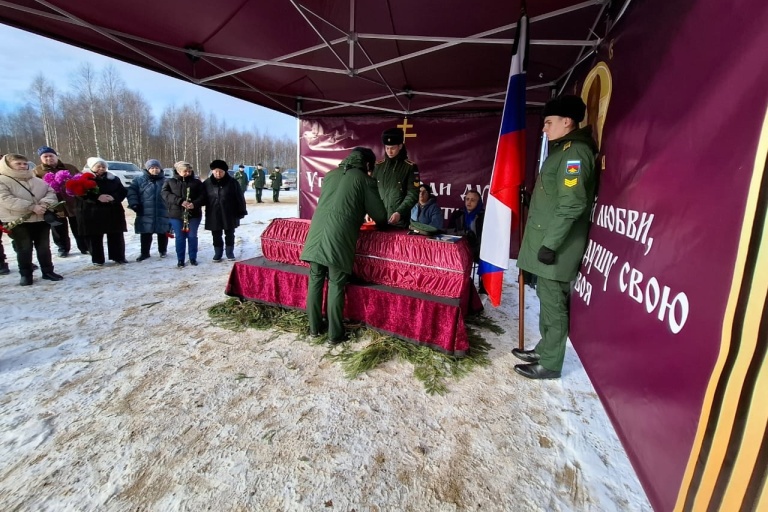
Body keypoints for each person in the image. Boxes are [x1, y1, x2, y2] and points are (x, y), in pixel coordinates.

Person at [513, 95, 598, 380]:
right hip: (549, 239)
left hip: (557, 245)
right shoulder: (562, 150)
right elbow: (556, 197)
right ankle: (544, 347)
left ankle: (550, 362)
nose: (544, 129)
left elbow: (572, 204)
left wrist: (550, 244)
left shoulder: (575, 153)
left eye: (549, 123)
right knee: (546, 299)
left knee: (553, 304)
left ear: (567, 121)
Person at [300, 147, 388, 343]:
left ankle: (314, 328)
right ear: (367, 164)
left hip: (315, 234)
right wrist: (384, 225)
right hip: (338, 238)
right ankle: (335, 334)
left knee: (315, 280)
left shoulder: (331, 175)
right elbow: (380, 215)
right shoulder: (364, 180)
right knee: (336, 284)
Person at [0, 153, 63, 285]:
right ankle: (26, 274)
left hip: (40, 218)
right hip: (19, 220)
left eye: (25, 163)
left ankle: (48, 271)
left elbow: (51, 192)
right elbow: (5, 199)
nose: (23, 166)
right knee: (24, 248)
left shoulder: (37, 180)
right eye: (18, 164)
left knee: (44, 247)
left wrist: (44, 205)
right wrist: (31, 207)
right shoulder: (3, 180)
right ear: (8, 165)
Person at [33, 145, 88, 256]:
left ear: (56, 156)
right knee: (58, 229)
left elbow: (81, 179)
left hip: (73, 202)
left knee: (78, 226)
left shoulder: (69, 167)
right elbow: (34, 187)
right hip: (54, 204)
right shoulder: (37, 171)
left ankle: (84, 247)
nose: (49, 158)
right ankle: (63, 248)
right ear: (41, 158)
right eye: (45, 156)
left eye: (51, 155)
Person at [75, 157, 129, 266]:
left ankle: (118, 257)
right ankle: (97, 259)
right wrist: (97, 198)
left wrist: (114, 197)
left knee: (116, 235)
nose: (101, 168)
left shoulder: (113, 178)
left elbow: (122, 191)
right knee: (95, 236)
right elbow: (79, 194)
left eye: (103, 166)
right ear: (92, 167)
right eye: (98, 166)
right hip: (93, 212)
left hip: (112, 210)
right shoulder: (83, 179)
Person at [372, 127, 420, 228]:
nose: (389, 151)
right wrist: (369, 211)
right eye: (387, 148)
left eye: (393, 148)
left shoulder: (409, 167)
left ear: (400, 146)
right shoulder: (378, 166)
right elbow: (371, 191)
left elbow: (413, 194)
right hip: (378, 220)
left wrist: (400, 212)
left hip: (399, 222)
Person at [162, 161, 205, 267]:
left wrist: (194, 204)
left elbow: (203, 196)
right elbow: (165, 194)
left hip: (193, 214)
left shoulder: (196, 182)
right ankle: (180, 259)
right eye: (185, 171)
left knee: (192, 236)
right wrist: (180, 201)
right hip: (176, 214)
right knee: (180, 237)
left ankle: (193, 258)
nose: (188, 173)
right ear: (178, 171)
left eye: (189, 171)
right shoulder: (170, 182)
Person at [203, 159, 247, 262]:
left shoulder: (232, 182)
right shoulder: (207, 183)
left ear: (225, 172)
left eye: (221, 171)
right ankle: (218, 253)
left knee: (230, 233)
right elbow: (202, 197)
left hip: (229, 212)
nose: (218, 174)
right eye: (216, 171)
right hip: (213, 212)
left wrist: (241, 211)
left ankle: (229, 252)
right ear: (212, 171)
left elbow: (240, 198)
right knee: (216, 234)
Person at [127, 159, 170, 261]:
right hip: (145, 210)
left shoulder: (166, 181)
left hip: (163, 209)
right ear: (147, 169)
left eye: (157, 168)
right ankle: (145, 253)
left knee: (163, 231)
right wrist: (134, 204)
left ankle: (163, 250)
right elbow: (132, 192)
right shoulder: (139, 180)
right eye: (152, 168)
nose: (155, 170)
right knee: (145, 232)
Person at [447, 190, 485, 261]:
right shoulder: (457, 214)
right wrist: (464, 233)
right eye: (467, 199)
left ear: (478, 202)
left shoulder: (483, 217)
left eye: (473, 200)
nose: (469, 202)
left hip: (477, 253)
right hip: (458, 251)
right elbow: (449, 232)